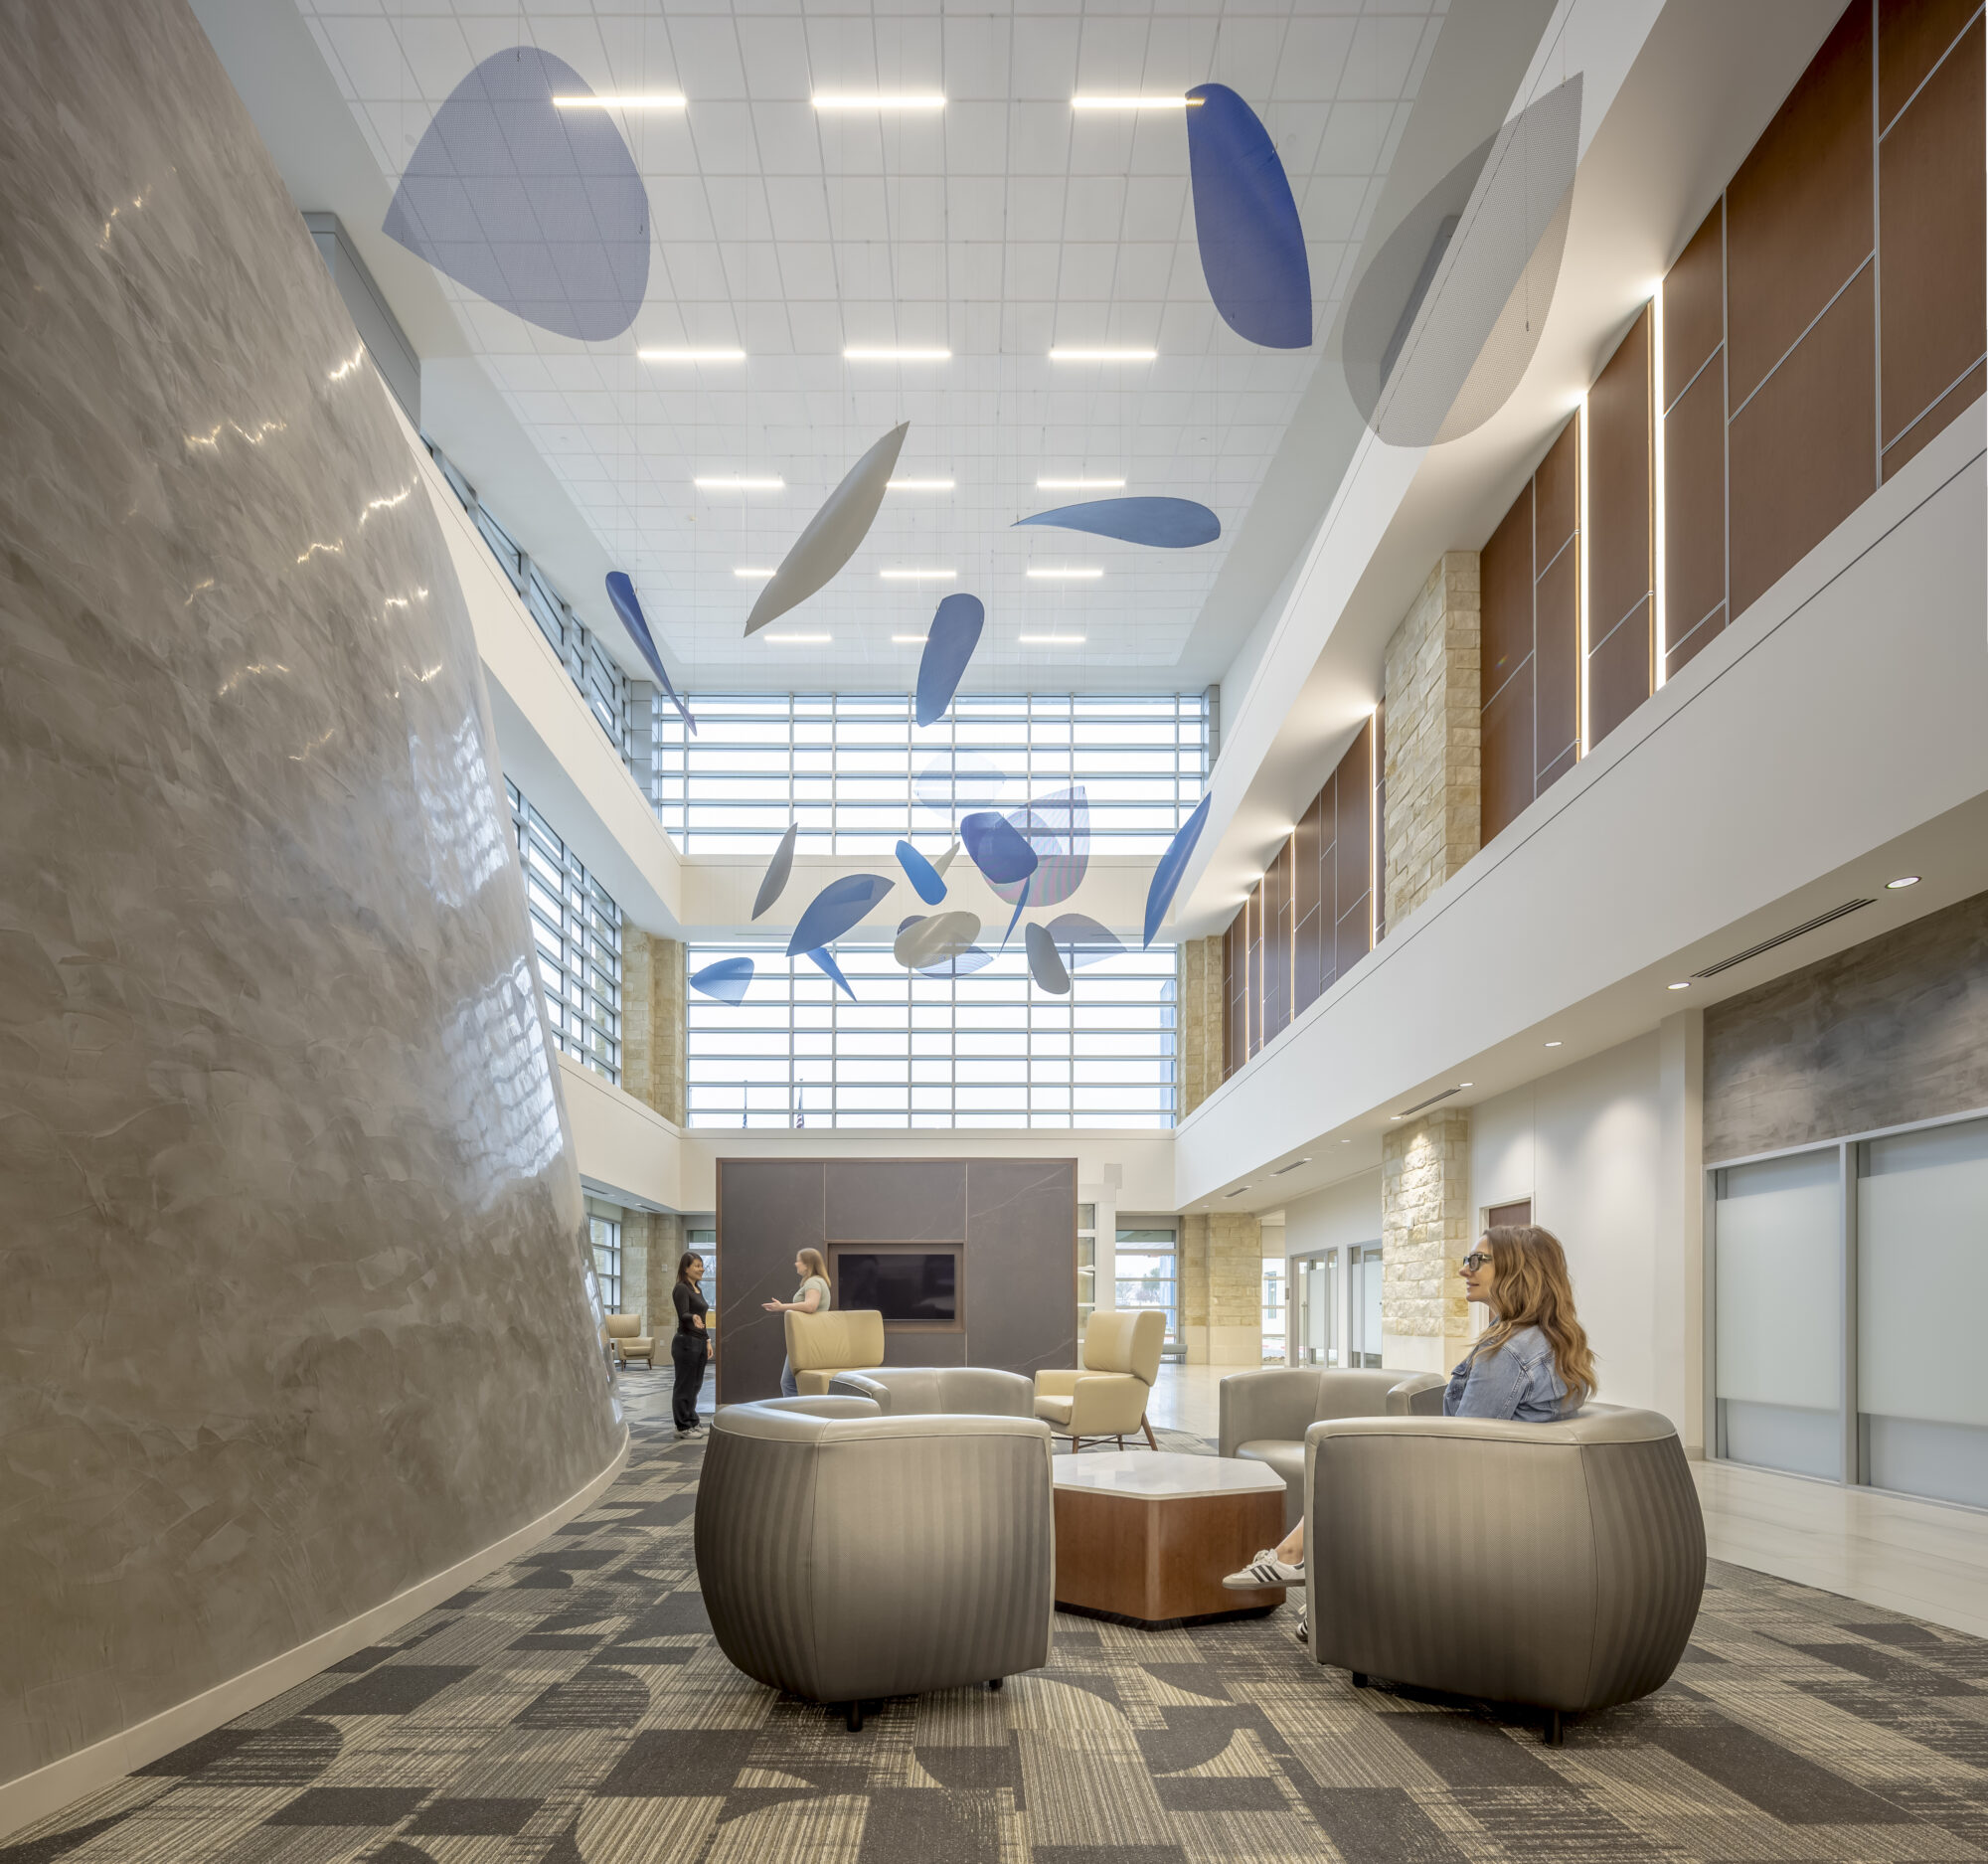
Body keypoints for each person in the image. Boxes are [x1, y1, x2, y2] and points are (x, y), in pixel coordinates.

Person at [1223, 1224, 1597, 1636]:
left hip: (1482, 1497)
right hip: (1516, 1487)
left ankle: (1310, 1572)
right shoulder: (1551, 1341)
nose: (1464, 1269)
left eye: (1477, 1260)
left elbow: (1462, 1447)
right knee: (1358, 1456)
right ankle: (1310, 1571)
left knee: (1344, 1461)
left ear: (1516, 1269)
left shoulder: (1507, 1352)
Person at [763, 1248, 832, 1398]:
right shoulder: (819, 1281)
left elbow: (811, 1306)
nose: (796, 1264)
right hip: (813, 1339)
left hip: (806, 1340)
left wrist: (782, 1307)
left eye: (798, 1260)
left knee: (788, 1383)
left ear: (807, 1264)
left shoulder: (813, 1282)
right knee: (797, 1383)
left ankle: (795, 1411)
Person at [671, 1252, 710, 1435]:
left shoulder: (697, 1289)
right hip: (685, 1342)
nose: (702, 1269)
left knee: (695, 1385)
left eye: (701, 1265)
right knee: (684, 1385)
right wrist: (692, 1317)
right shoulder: (681, 1288)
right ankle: (682, 1426)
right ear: (686, 1269)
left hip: (699, 1342)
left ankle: (692, 1421)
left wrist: (707, 1340)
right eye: (697, 1265)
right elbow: (683, 1314)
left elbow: (702, 1318)